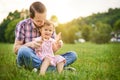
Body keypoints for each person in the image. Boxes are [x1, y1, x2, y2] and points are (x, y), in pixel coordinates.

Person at [13, 1, 77, 72]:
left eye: (44, 18)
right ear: (31, 17)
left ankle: (40, 69)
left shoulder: (49, 25)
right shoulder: (22, 25)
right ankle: (55, 69)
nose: (43, 23)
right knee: (23, 50)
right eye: (39, 21)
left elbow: (50, 52)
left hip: (46, 58)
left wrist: (56, 46)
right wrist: (31, 44)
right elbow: (16, 50)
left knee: (72, 55)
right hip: (30, 57)